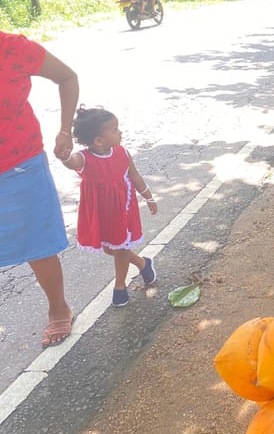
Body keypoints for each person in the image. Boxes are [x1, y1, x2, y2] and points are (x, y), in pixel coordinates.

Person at [0, 31, 78, 347]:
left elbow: (67, 77)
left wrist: (64, 131)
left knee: (37, 243)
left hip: (21, 163)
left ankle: (59, 307)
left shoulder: (13, 48)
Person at [60, 106, 158, 307]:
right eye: (115, 130)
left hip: (121, 209)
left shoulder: (122, 152)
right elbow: (72, 162)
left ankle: (120, 286)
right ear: (98, 141)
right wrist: (64, 155)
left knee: (120, 246)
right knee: (108, 248)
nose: (120, 132)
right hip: (100, 212)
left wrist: (148, 196)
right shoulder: (85, 158)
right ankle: (143, 264)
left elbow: (135, 176)